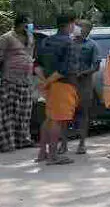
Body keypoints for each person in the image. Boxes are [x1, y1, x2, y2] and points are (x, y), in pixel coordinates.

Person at [35, 14, 81, 165]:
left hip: (49, 84)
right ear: (70, 24)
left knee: (49, 118)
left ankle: (43, 152)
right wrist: (48, 81)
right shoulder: (69, 43)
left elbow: (36, 65)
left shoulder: (46, 41)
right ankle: (53, 156)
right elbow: (65, 69)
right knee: (57, 120)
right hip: (63, 84)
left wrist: (44, 82)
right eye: (75, 24)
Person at [58, 20, 100, 155]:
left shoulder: (92, 45)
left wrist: (83, 73)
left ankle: (82, 144)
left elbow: (96, 66)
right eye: (78, 26)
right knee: (64, 115)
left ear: (89, 30)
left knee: (83, 114)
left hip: (84, 84)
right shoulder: (67, 42)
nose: (79, 29)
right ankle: (63, 144)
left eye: (83, 27)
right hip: (67, 83)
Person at [0, 14, 35, 152]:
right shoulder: (6, 38)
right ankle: (8, 143)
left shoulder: (31, 37)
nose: (28, 27)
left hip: (26, 80)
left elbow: (30, 55)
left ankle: (23, 140)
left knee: (24, 112)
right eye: (26, 24)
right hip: (10, 80)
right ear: (20, 24)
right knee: (8, 113)